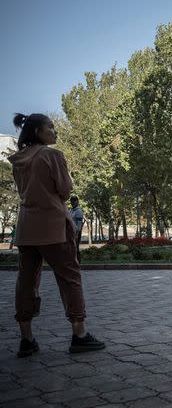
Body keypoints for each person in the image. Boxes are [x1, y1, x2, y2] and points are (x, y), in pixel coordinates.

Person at [8, 113, 105, 357]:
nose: (55, 131)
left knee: (26, 283)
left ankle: (26, 339)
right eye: (50, 127)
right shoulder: (53, 155)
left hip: (27, 227)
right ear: (38, 131)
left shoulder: (17, 160)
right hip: (53, 226)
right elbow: (64, 189)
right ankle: (79, 334)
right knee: (69, 278)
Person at [69, 196, 84, 263]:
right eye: (71, 202)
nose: (72, 203)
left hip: (76, 232)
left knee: (75, 248)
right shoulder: (71, 210)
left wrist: (77, 234)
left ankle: (78, 263)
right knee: (72, 248)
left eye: (73, 201)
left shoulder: (78, 211)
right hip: (71, 232)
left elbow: (79, 224)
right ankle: (73, 262)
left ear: (77, 202)